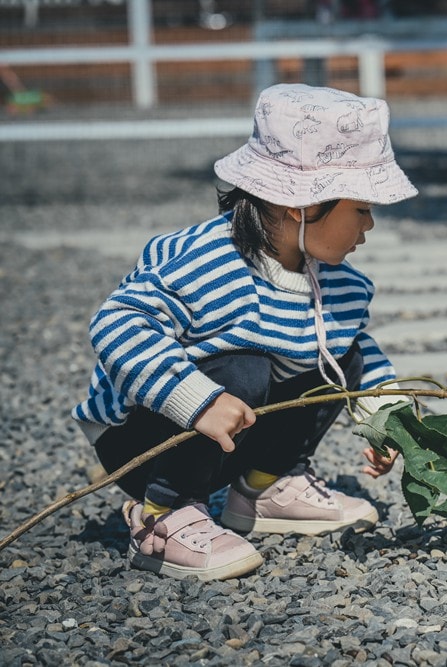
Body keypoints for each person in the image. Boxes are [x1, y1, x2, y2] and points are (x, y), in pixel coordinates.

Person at [71, 83, 418, 581]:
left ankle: (265, 485)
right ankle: (163, 515)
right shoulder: (206, 261)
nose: (370, 226)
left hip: (234, 433)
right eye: (361, 209)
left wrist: (389, 418)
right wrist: (196, 400)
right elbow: (117, 324)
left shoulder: (336, 280)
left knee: (344, 351)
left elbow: (353, 349)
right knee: (244, 365)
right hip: (143, 433)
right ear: (301, 205)